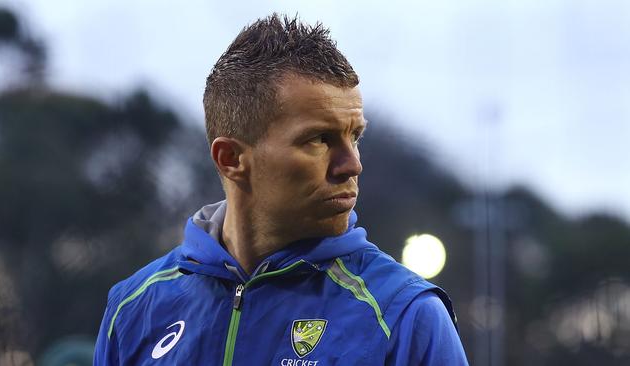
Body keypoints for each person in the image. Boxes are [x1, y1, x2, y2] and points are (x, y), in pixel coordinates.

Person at [94, 13, 469, 366]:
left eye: (355, 136)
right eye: (320, 139)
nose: (352, 164)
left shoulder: (405, 314)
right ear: (231, 159)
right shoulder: (133, 307)